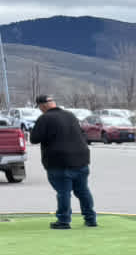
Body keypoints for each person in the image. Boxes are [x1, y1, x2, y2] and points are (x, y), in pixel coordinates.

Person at [30, 94, 97, 229]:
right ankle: (91, 219)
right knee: (83, 190)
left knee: (64, 192)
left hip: (59, 162)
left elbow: (34, 139)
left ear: (42, 106)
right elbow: (82, 134)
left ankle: (64, 221)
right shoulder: (70, 116)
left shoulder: (44, 119)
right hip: (81, 160)